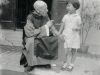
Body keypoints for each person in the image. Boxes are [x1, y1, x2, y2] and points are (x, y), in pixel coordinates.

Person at [20, 0, 65, 73]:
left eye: (47, 8)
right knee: (31, 42)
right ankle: (31, 64)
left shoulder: (46, 15)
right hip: (34, 37)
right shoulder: (30, 17)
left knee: (59, 40)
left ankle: (51, 63)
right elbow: (30, 33)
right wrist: (45, 27)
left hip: (43, 36)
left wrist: (58, 34)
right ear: (37, 11)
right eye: (44, 9)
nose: (47, 11)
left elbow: (52, 27)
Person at [59, 0, 82, 71]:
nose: (67, 7)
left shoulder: (78, 17)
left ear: (75, 7)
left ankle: (71, 64)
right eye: (67, 6)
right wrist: (59, 33)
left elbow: (80, 27)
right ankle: (65, 63)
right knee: (64, 51)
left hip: (74, 36)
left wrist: (76, 28)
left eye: (69, 6)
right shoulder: (65, 16)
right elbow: (62, 25)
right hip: (66, 35)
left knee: (73, 51)